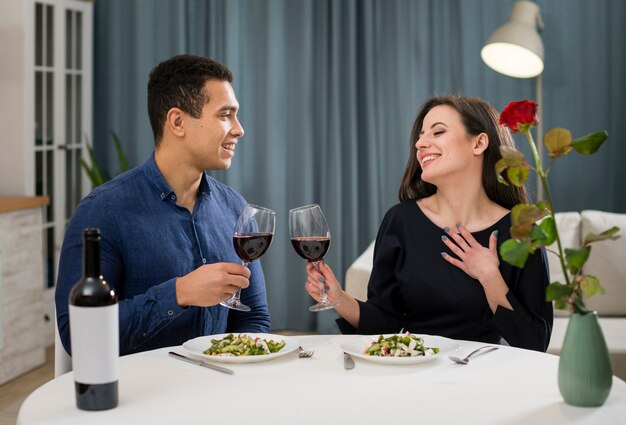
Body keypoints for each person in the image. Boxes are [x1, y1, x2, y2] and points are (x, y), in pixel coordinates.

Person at [56, 54, 270, 356]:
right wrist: (179, 293)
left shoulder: (236, 209)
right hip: (140, 397)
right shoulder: (102, 213)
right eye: (225, 115)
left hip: (219, 391)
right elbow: (77, 336)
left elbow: (254, 318)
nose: (239, 129)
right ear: (178, 122)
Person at [304, 95, 553, 352]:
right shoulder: (400, 221)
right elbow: (386, 323)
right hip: (414, 374)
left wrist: (490, 276)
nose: (420, 144)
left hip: (483, 378)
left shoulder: (522, 231)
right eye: (421, 136)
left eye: (438, 132)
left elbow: (535, 343)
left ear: (479, 143)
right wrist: (338, 298)